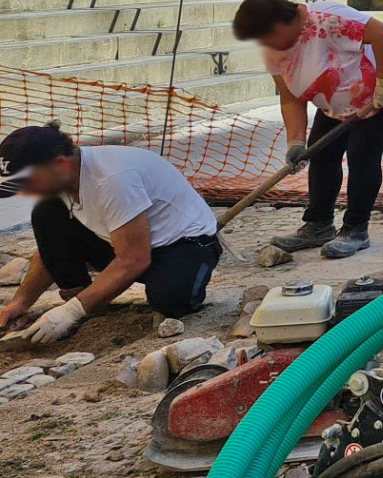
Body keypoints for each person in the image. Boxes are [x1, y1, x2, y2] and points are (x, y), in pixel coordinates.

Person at [0, 125, 220, 343]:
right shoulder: (66, 179)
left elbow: (134, 259)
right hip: (128, 241)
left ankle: (83, 304)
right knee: (46, 213)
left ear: (59, 164)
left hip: (183, 243)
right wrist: (20, 302)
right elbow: (49, 251)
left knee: (170, 300)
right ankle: (84, 298)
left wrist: (72, 311)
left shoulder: (112, 179)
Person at [231, 0, 383, 260]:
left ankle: (356, 230)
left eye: (266, 37)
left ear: (281, 25)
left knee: (362, 154)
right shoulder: (273, 51)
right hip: (335, 95)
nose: (265, 45)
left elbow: (382, 34)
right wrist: (295, 142)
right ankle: (319, 225)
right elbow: (291, 98)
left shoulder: (328, 20)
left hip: (379, 88)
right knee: (321, 155)